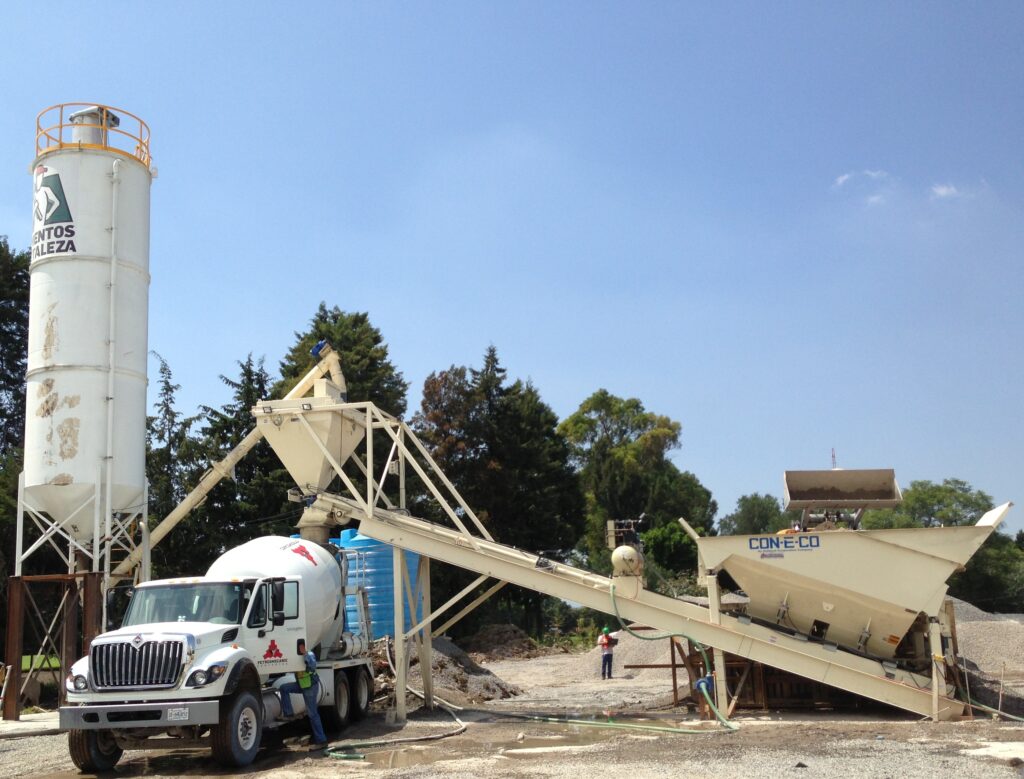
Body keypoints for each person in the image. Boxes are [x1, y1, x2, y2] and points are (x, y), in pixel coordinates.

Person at [279, 639, 327, 749]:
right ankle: (289, 714)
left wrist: (305, 653)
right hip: (302, 684)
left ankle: (322, 740)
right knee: (284, 688)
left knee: (312, 714)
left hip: (310, 686)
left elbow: (313, 665)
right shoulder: (295, 656)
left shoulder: (309, 654)